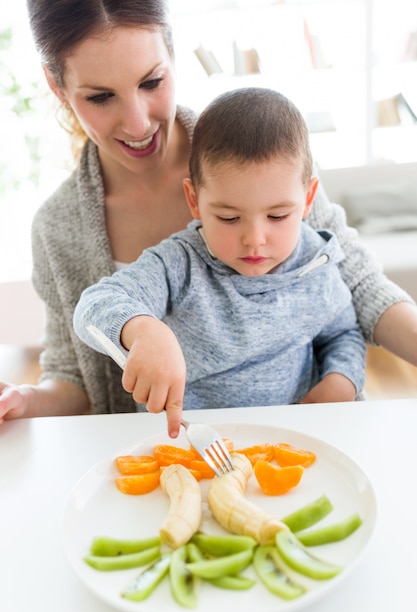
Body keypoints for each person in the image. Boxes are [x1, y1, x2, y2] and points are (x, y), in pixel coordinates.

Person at [0, 0, 416, 430]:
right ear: (57, 86)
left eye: (152, 81)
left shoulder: (262, 158)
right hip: (181, 450)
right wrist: (24, 401)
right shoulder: (59, 227)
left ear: (173, 55)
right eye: (101, 97)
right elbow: (73, 374)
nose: (138, 123)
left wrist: (341, 380)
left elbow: (356, 289)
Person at [73, 87, 368, 436]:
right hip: (193, 445)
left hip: (291, 444)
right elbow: (93, 306)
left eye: (277, 216)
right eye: (229, 218)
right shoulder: (178, 263)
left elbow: (344, 334)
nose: (255, 238)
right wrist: (142, 329)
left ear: (307, 200)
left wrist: (340, 382)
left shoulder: (315, 263)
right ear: (194, 201)